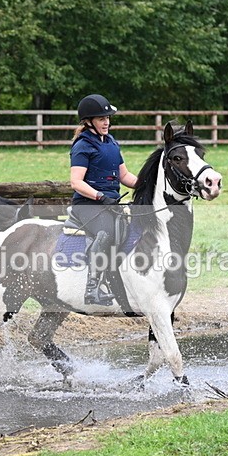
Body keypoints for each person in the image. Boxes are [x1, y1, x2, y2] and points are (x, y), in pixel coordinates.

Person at [70, 94, 138, 305]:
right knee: (106, 232)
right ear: (89, 121)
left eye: (108, 117)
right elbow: (76, 182)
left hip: (111, 203)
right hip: (87, 204)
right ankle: (92, 289)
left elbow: (125, 176)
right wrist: (100, 197)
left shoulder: (111, 142)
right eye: (101, 118)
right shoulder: (83, 145)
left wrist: (147, 184)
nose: (106, 121)